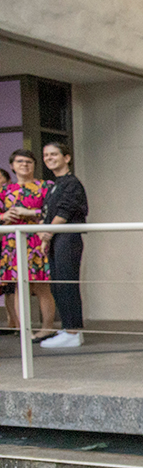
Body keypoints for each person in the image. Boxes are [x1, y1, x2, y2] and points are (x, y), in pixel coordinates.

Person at [1, 149, 57, 339]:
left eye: (28, 162)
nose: (24, 165)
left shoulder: (46, 186)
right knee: (19, 286)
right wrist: (4, 216)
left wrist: (30, 212)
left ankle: (47, 327)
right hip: (13, 242)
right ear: (12, 166)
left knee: (42, 286)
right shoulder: (5, 190)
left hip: (38, 240)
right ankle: (23, 329)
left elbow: (53, 211)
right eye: (20, 162)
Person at [38, 142, 88, 348]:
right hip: (58, 238)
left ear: (66, 158)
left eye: (54, 154)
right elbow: (49, 213)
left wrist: (48, 233)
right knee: (58, 284)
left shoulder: (71, 183)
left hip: (67, 237)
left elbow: (63, 213)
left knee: (67, 283)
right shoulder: (55, 185)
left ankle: (73, 331)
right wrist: (44, 234)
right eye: (46, 155)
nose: (49, 158)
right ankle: (68, 327)